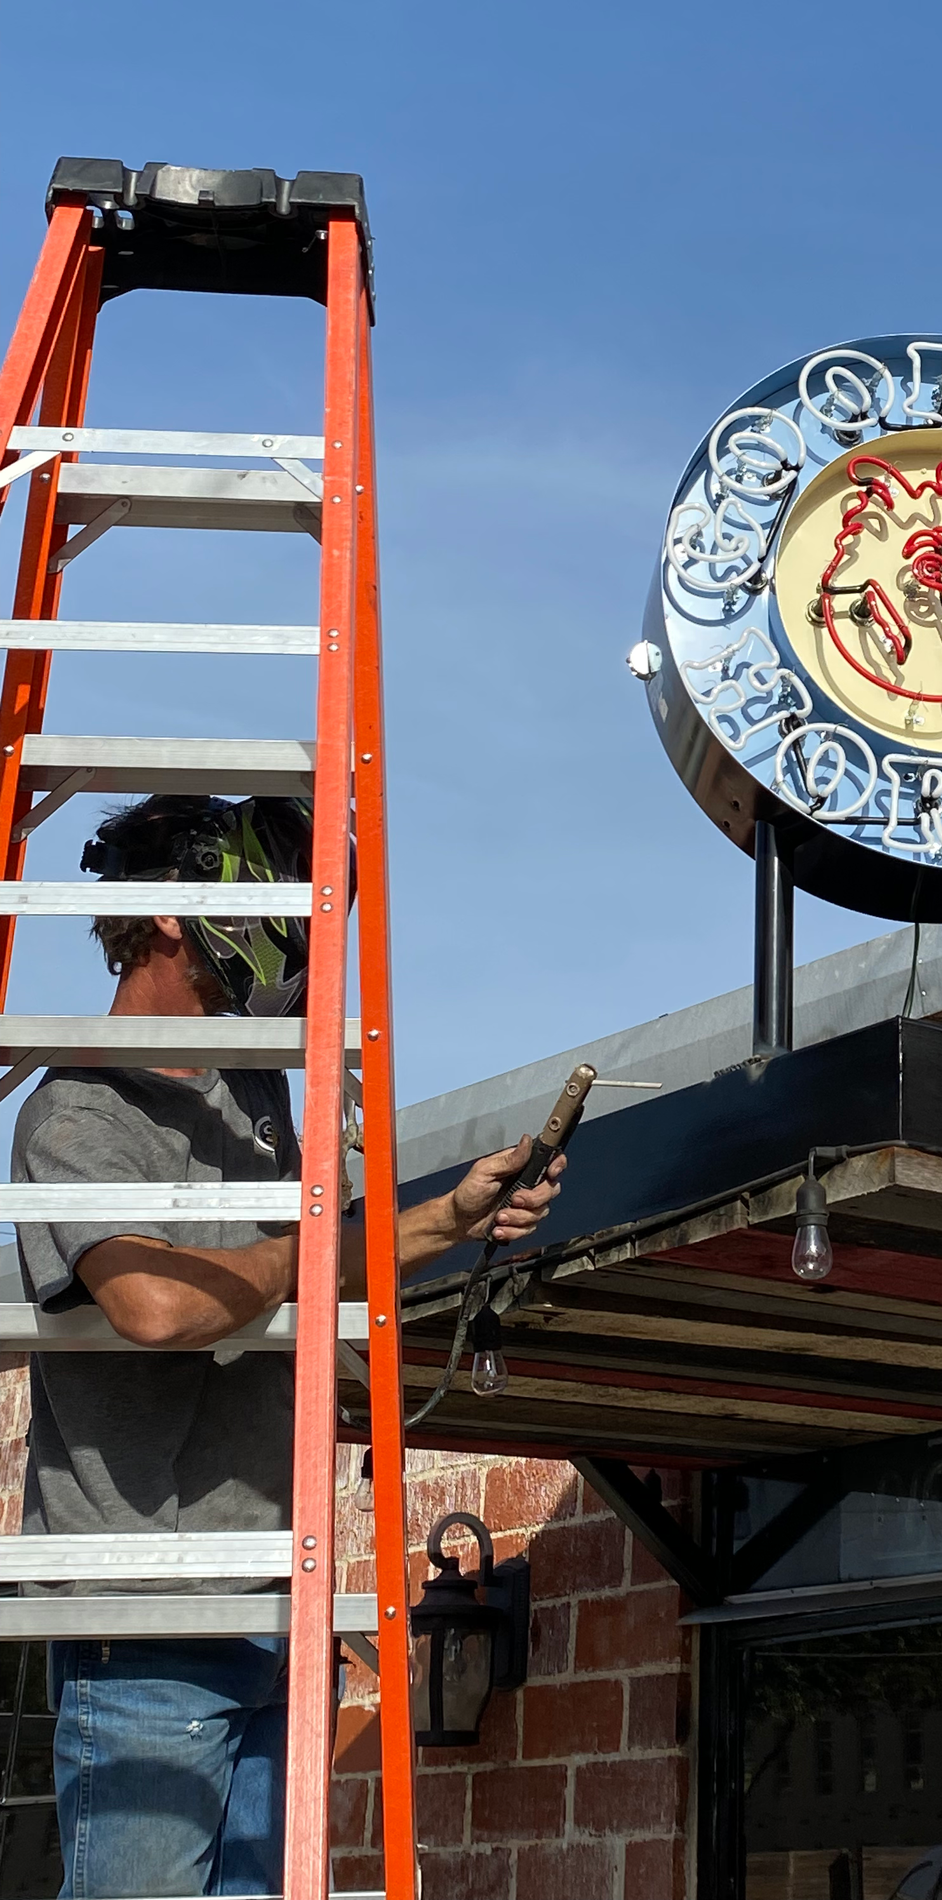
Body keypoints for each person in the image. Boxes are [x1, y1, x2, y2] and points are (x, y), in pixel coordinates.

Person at [10, 794, 564, 1899]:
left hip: (273, 1599)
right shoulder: (77, 1111)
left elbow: (316, 1259)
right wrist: (312, 1245)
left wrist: (450, 1216)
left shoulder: (250, 1082)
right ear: (172, 915)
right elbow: (157, 1306)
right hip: (150, 1622)